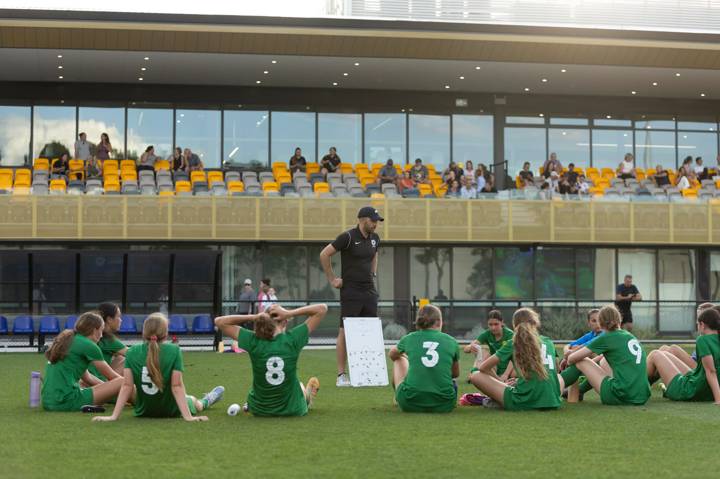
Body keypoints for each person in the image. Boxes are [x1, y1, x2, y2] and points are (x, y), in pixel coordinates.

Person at [93, 313, 224, 422]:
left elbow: (127, 386)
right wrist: (188, 417)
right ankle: (207, 400)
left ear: (144, 332)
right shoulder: (174, 350)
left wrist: (113, 416)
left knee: (184, 397)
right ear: (165, 333)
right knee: (195, 402)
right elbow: (176, 386)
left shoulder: (132, 352)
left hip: (144, 411)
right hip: (171, 410)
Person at [214, 303, 327, 416]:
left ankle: (249, 405)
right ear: (285, 321)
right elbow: (322, 309)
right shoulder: (292, 339)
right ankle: (307, 395)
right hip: (293, 410)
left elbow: (219, 321)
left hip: (260, 410)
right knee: (298, 385)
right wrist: (289, 313)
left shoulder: (253, 341)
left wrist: (254, 317)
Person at [320, 206, 382, 387]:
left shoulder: (375, 239)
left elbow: (374, 255)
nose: (376, 224)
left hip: (369, 290)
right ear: (363, 220)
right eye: (373, 220)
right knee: (345, 332)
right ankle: (341, 375)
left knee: (369, 331)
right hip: (350, 291)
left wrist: (373, 274)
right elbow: (324, 254)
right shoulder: (347, 237)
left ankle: (367, 374)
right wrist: (332, 279)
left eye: (377, 221)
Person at [469, 308, 562, 411]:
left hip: (522, 401)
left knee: (476, 375)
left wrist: (500, 382)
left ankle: (498, 401)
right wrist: (519, 380)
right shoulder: (549, 342)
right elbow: (556, 370)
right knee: (559, 377)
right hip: (552, 401)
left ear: (514, 325)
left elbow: (483, 368)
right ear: (535, 323)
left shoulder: (513, 342)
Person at [565, 304, 651, 406]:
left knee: (580, 361)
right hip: (642, 395)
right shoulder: (629, 335)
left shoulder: (606, 337)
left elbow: (571, 359)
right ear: (619, 319)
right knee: (604, 360)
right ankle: (580, 390)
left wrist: (569, 359)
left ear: (601, 323)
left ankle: (557, 388)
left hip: (622, 395)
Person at [42, 312, 124, 412]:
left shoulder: (69, 339)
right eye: (101, 331)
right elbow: (114, 378)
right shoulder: (89, 345)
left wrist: (109, 391)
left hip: (48, 402)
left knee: (119, 384)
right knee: (123, 381)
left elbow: (88, 378)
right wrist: (118, 390)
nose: (102, 335)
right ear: (94, 330)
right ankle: (142, 402)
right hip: (66, 401)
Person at [388, 304, 459, 413]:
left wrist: (405, 356)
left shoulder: (409, 338)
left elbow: (392, 354)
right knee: (453, 382)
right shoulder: (452, 341)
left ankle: (398, 396)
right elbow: (455, 374)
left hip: (409, 403)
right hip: (445, 405)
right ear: (439, 322)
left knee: (399, 359)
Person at [646, 307, 720, 403]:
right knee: (664, 351)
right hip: (702, 386)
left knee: (655, 354)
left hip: (692, 391)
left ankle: (637, 389)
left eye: (697, 324)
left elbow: (711, 371)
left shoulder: (703, 339)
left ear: (702, 325)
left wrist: (718, 399)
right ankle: (644, 385)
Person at [464, 309, 513, 382]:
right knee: (483, 352)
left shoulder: (510, 335)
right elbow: (466, 349)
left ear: (502, 322)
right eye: (490, 324)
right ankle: (475, 372)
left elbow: (515, 358)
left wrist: (505, 375)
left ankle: (479, 375)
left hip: (509, 367)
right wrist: (471, 347)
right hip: (495, 366)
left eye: (496, 324)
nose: (493, 327)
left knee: (515, 373)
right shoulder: (487, 334)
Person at [86, 302, 127, 382]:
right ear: (109, 319)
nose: (121, 320)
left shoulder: (92, 335)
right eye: (118, 316)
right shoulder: (107, 339)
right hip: (96, 382)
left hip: (89, 380)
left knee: (120, 357)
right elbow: (134, 354)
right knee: (129, 360)